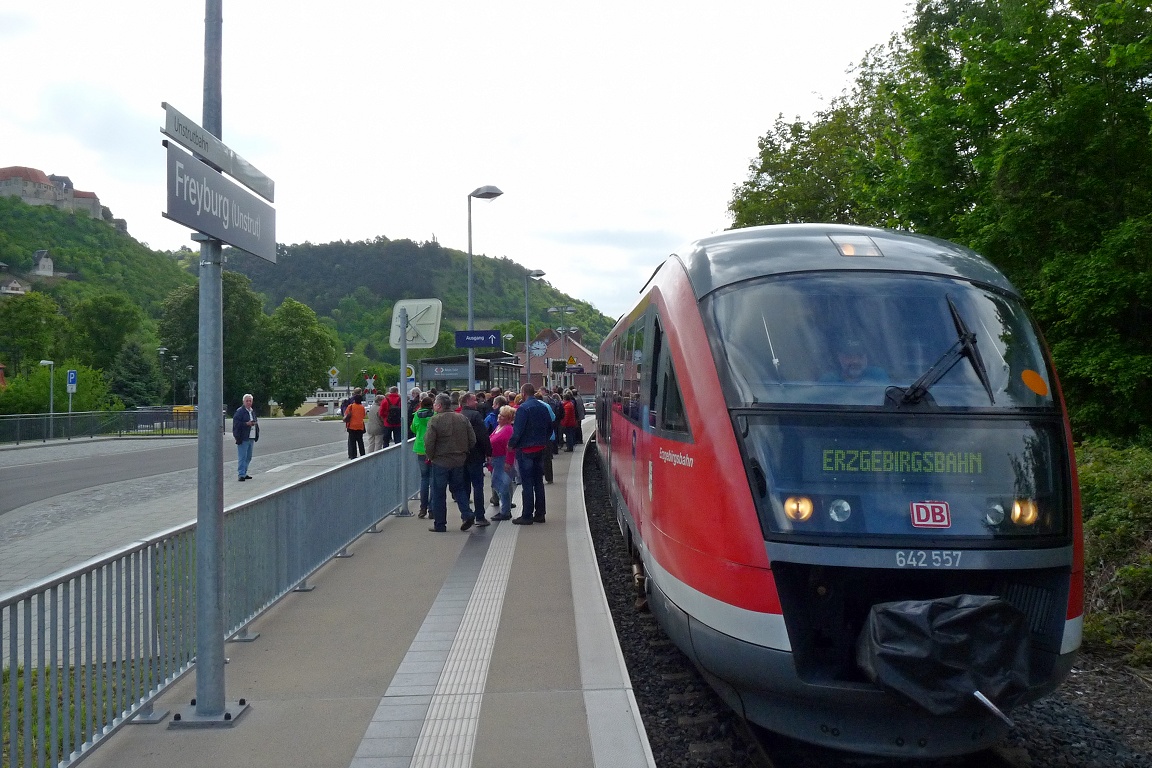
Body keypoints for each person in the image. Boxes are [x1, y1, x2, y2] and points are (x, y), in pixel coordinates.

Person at [423, 393, 476, 532]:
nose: (434, 406)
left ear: (439, 406)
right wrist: (464, 452)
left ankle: (440, 524)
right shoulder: (462, 418)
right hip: (459, 460)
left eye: (435, 404)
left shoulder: (435, 420)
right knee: (459, 489)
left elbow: (429, 442)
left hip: (441, 460)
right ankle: (467, 513)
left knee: (439, 493)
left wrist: (430, 456)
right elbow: (472, 439)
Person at [508, 383, 553, 524]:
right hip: (540, 448)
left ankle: (527, 515)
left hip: (526, 449)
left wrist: (511, 445)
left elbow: (518, 431)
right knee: (538, 482)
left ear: (523, 393)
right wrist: (544, 440)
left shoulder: (523, 409)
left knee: (527, 483)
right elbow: (550, 426)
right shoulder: (543, 407)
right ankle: (540, 513)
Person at [459, 392, 492, 526]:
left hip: (462, 456)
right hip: (476, 455)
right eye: (474, 400)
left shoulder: (459, 415)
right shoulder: (476, 415)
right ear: (467, 401)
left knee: (464, 486)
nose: (476, 402)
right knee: (478, 486)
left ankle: (466, 514)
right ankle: (480, 516)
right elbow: (482, 435)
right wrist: (488, 452)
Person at [488, 406, 516, 521]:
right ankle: (506, 508)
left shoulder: (508, 429)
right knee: (502, 485)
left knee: (501, 485)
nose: (499, 417)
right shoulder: (499, 427)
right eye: (500, 414)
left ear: (508, 419)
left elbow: (510, 447)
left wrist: (508, 462)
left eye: (503, 416)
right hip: (496, 459)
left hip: (503, 459)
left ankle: (505, 511)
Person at [410, 395, 435, 518]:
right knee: (433, 480)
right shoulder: (435, 415)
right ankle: (432, 509)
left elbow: (413, 429)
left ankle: (422, 508)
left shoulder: (416, 415)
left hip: (420, 448)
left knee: (424, 479)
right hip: (433, 449)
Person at [822, 338, 888, 383]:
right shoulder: (829, 381)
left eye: (860, 356)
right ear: (840, 358)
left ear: (866, 358)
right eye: (849, 356)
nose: (855, 361)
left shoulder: (877, 376)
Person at [232, 393, 258, 481]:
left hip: (251, 437)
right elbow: (236, 424)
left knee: (248, 457)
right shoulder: (240, 411)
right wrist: (246, 424)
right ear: (243, 402)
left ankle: (245, 472)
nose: (249, 402)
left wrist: (254, 424)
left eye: (250, 401)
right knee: (242, 456)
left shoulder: (252, 411)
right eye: (247, 401)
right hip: (243, 437)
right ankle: (241, 474)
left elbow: (255, 421)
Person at [344, 392, 366, 459]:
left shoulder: (350, 406)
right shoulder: (362, 407)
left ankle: (353, 455)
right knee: (360, 441)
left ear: (354, 400)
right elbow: (363, 416)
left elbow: (346, 414)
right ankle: (362, 454)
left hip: (351, 426)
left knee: (352, 442)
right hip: (360, 426)